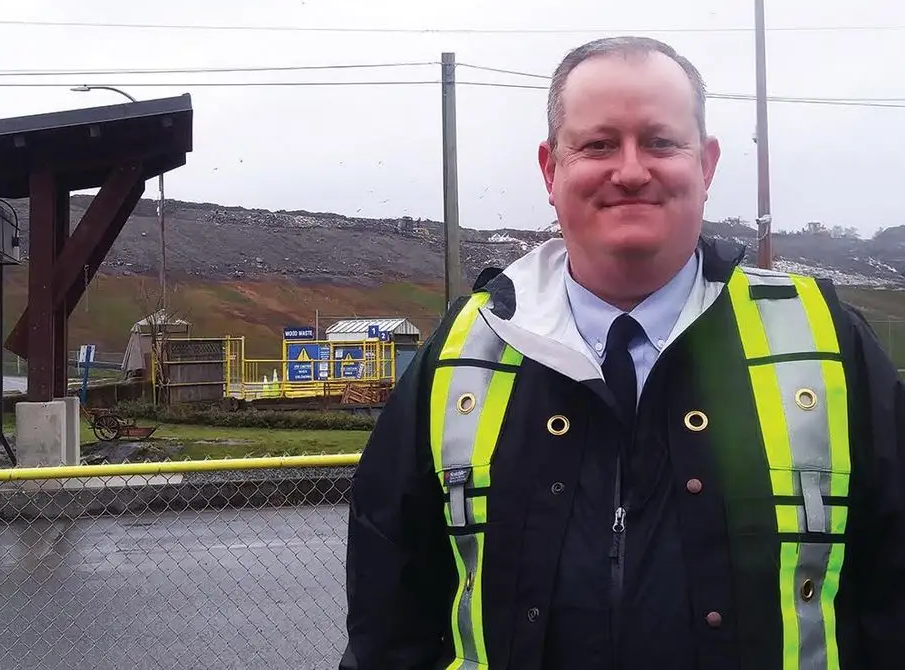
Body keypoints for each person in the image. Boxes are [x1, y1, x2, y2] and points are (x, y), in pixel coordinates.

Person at [338, 36, 905, 669]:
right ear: (551, 170)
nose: (631, 170)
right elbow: (390, 612)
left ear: (708, 165)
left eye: (661, 142)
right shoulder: (464, 348)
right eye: (599, 144)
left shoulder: (825, 339)